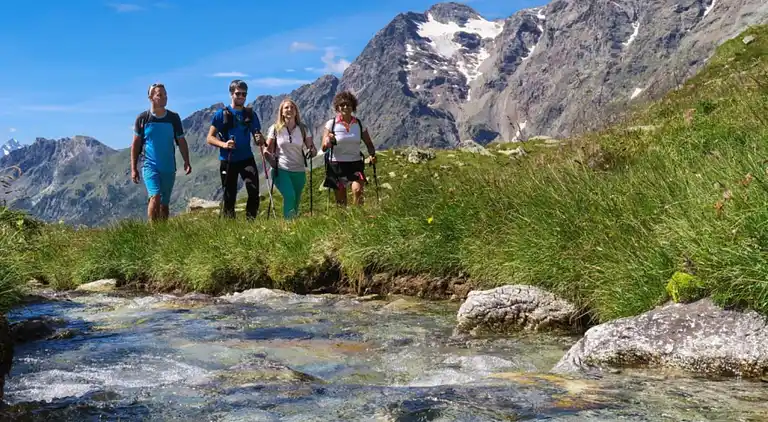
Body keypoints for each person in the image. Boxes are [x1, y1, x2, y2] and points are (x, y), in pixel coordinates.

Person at [131, 83, 192, 223]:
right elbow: (135, 144)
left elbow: (181, 141)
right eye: (159, 95)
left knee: (164, 204)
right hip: (149, 165)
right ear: (150, 97)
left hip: (168, 166)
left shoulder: (173, 118)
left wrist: (187, 161)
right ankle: (153, 230)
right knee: (155, 196)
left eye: (165, 95)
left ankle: (162, 232)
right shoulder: (143, 119)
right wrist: (134, 168)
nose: (164, 98)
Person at [206, 80, 265, 219]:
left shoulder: (250, 114)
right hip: (228, 159)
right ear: (231, 94)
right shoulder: (221, 114)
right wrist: (224, 145)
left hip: (246, 158)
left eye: (244, 94)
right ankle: (229, 226)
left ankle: (251, 222)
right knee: (229, 195)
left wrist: (259, 138)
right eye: (238, 94)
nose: (241, 97)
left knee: (253, 191)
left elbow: (258, 138)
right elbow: (209, 137)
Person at [321, 91, 376, 206]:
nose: (345, 107)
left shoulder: (359, 124)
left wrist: (372, 155)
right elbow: (324, 148)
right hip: (337, 165)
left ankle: (357, 216)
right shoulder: (331, 124)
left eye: (348, 104)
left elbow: (369, 143)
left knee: (358, 190)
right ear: (337, 107)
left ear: (353, 106)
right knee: (341, 202)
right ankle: (344, 221)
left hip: (355, 163)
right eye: (342, 105)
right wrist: (328, 141)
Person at [264, 98, 317, 219]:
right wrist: (269, 158)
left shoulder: (303, 129)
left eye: (292, 107)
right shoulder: (275, 129)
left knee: (296, 200)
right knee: (289, 195)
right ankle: (288, 226)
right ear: (281, 112)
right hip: (281, 169)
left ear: (296, 111)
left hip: (299, 170)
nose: (289, 110)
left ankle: (293, 226)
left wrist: (312, 151)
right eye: (286, 108)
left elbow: (312, 147)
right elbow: (268, 149)